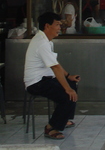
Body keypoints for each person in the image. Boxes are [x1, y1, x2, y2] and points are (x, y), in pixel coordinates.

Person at [23, 12, 80, 140]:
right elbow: (55, 68)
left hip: (46, 79)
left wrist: (68, 76)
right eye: (57, 25)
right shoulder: (41, 43)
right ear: (47, 26)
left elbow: (55, 63)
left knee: (72, 84)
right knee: (67, 95)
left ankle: (63, 119)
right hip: (36, 83)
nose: (59, 28)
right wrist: (67, 89)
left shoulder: (46, 40)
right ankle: (51, 127)